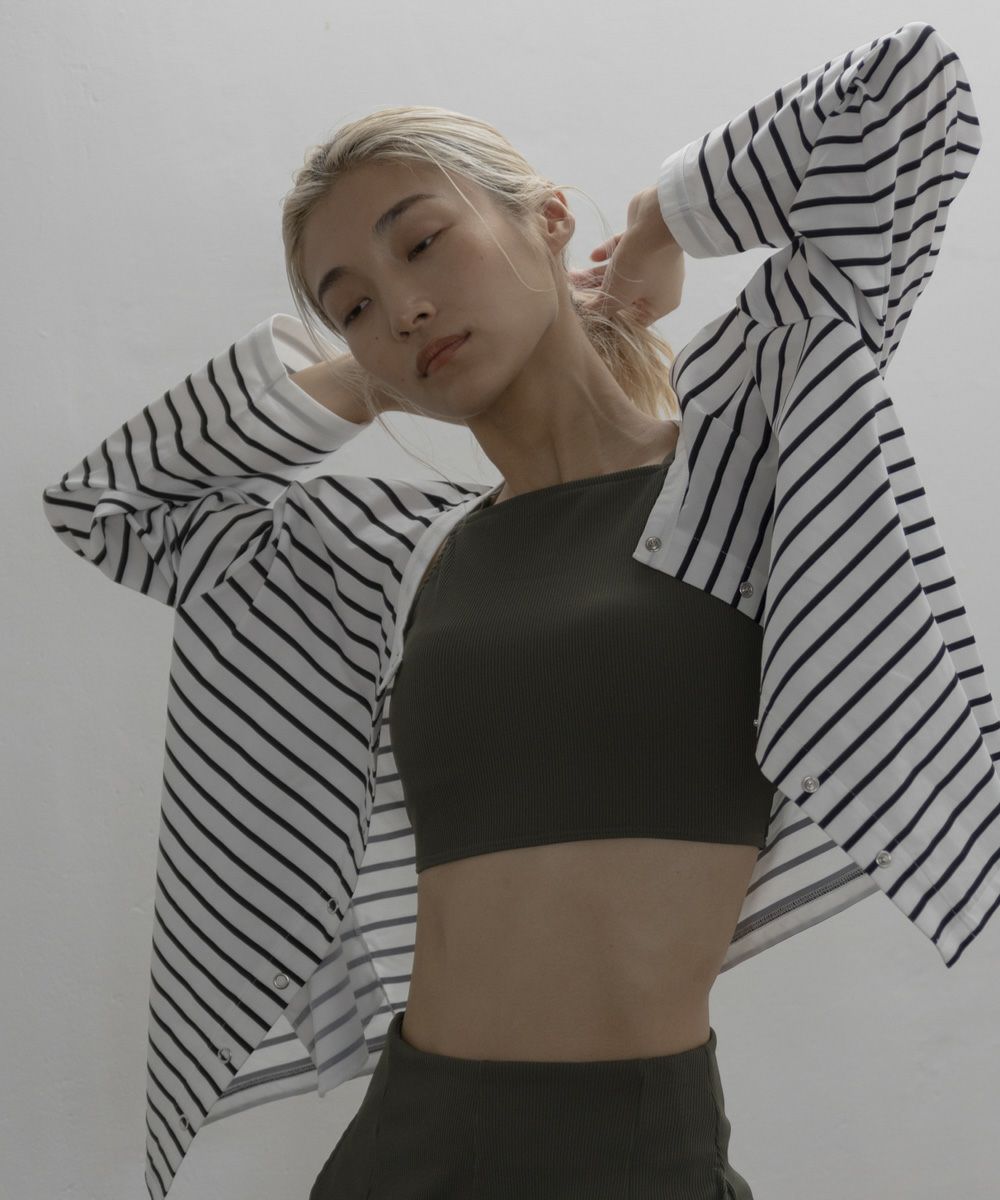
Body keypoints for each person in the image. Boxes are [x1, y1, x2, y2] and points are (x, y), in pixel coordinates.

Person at [42, 21, 993, 1200]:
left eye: (423, 244)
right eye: (352, 304)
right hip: (405, 1145)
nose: (403, 307)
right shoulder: (403, 561)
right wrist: (364, 376)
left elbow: (911, 94)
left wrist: (659, 222)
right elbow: (109, 510)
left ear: (545, 220)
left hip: (634, 1147)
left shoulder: (741, 460)